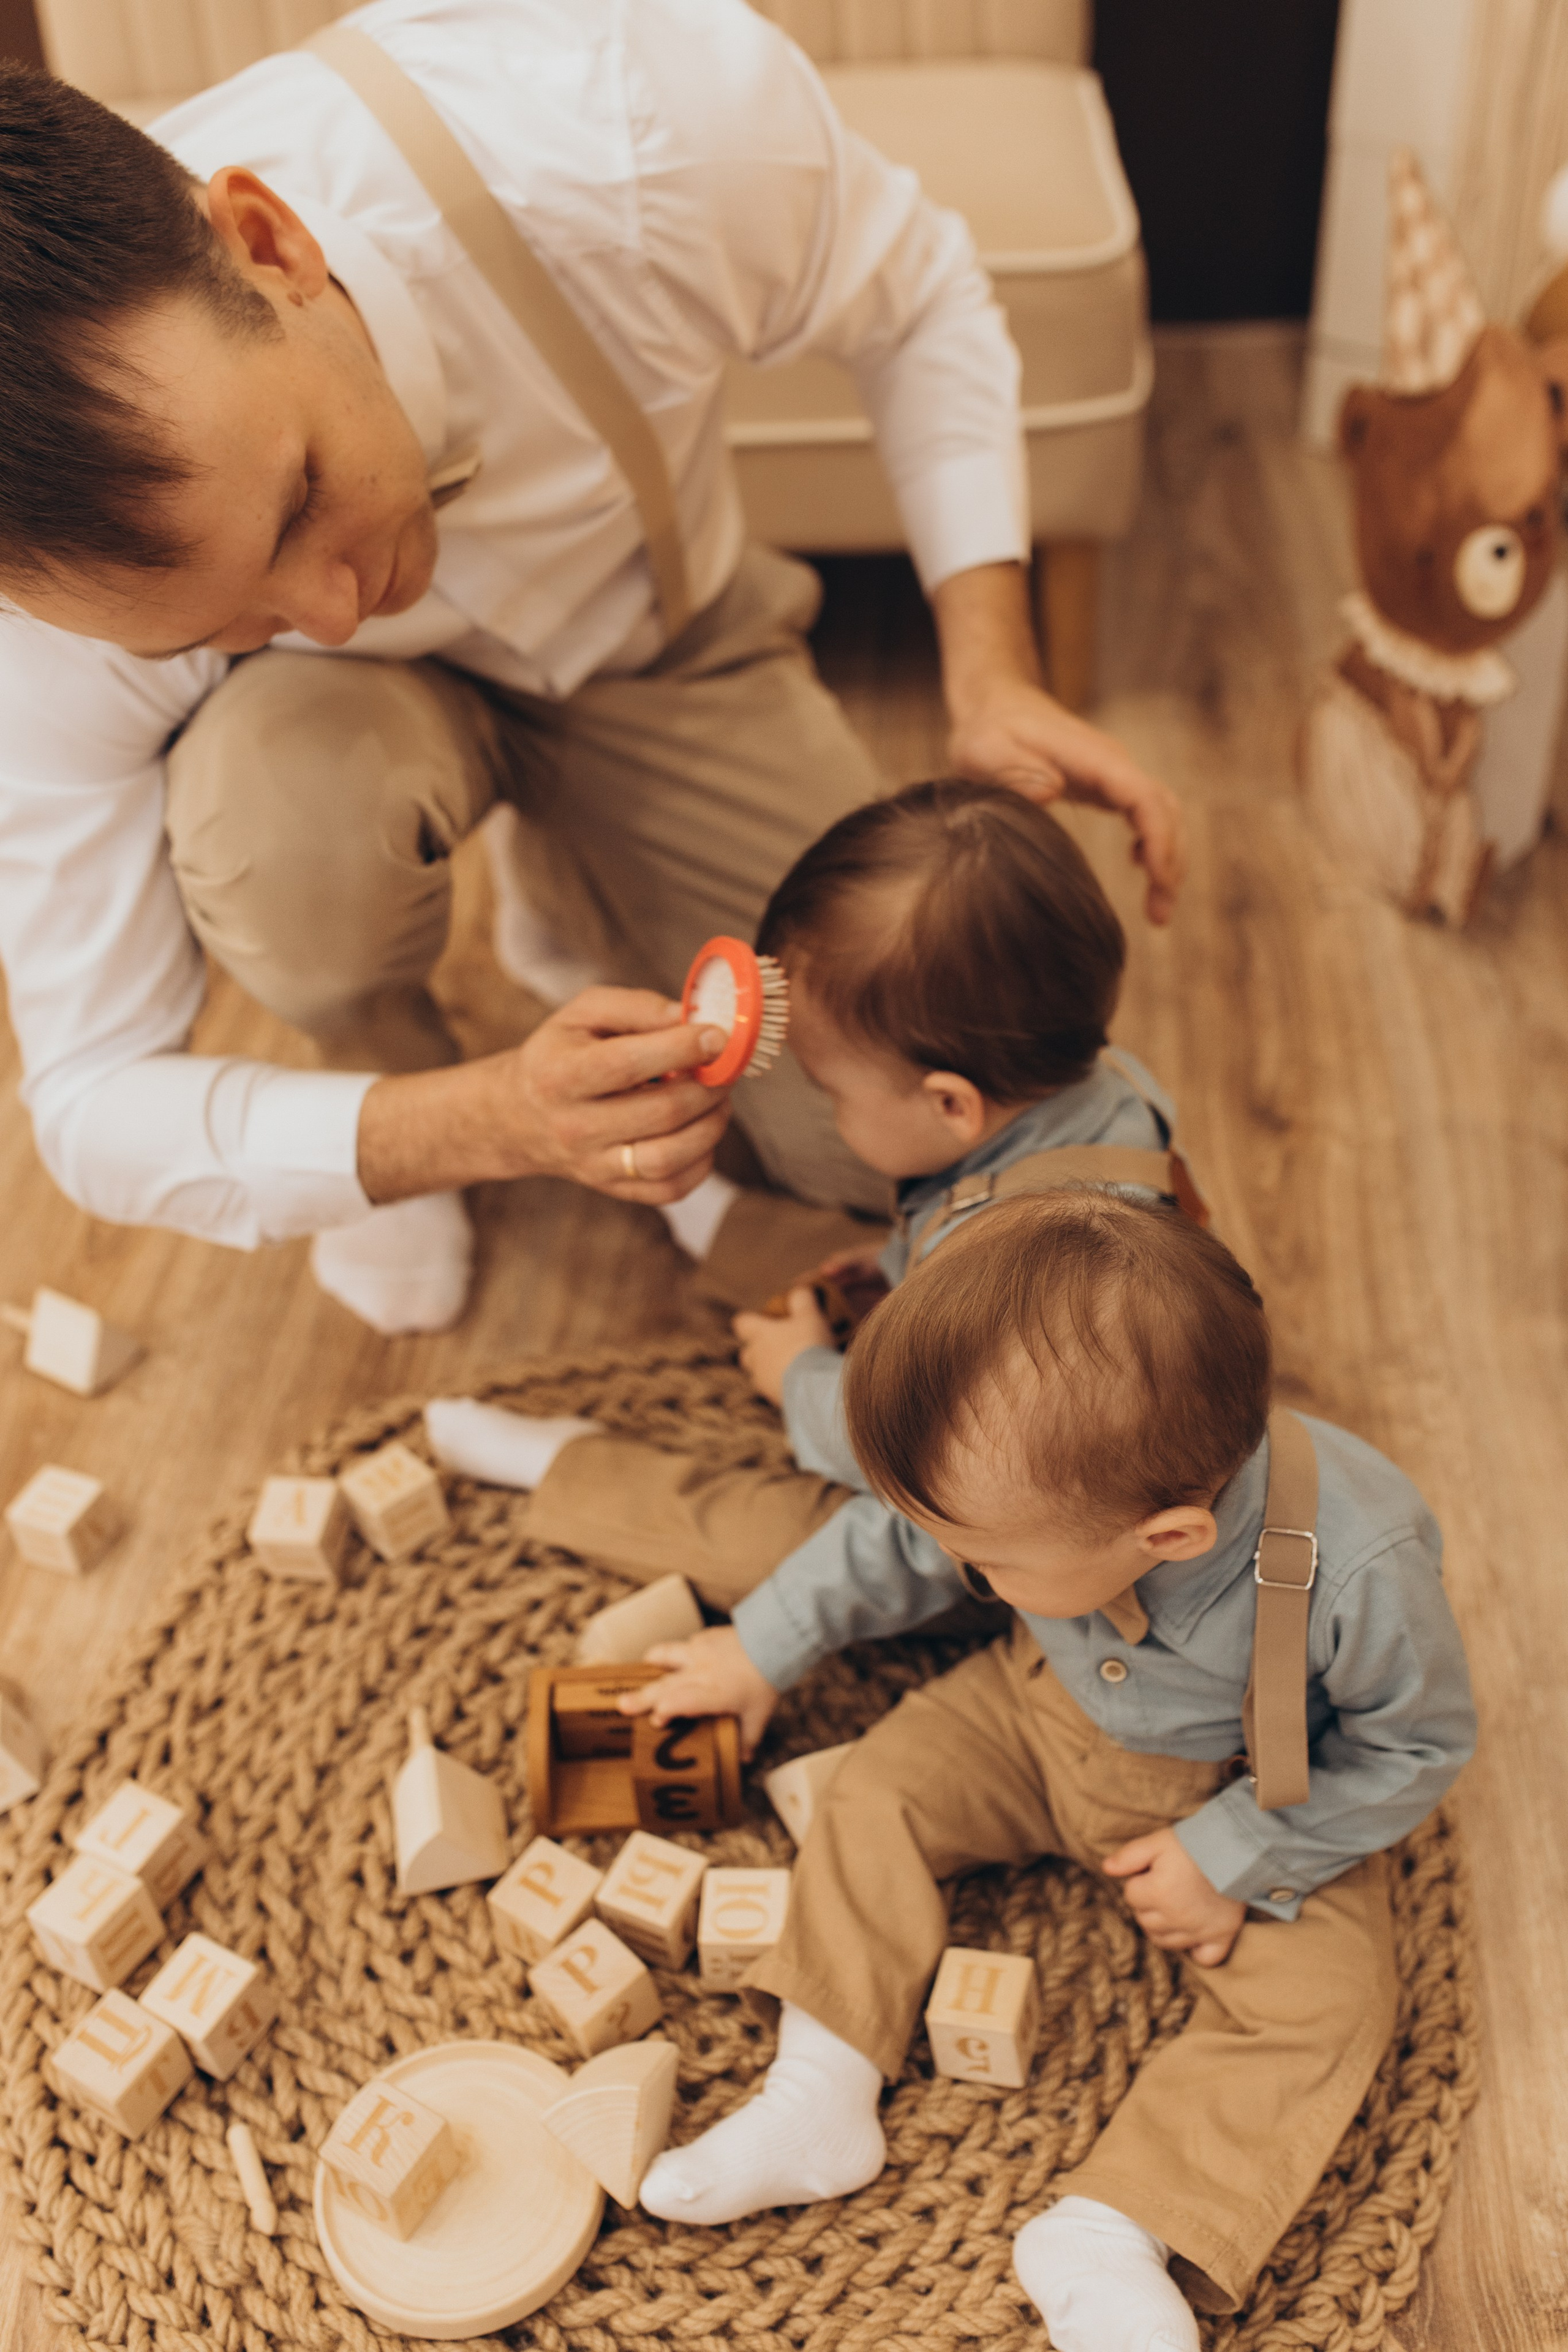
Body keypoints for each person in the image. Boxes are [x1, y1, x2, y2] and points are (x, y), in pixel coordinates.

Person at [0, 0, 1183, 1337]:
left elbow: (919, 300)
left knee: (884, 1114)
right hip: (344, 750)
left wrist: (990, 670)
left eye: (299, 502)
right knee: (283, 833)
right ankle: (388, 1069)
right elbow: (91, 1100)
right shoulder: (45, 627)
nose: (331, 612)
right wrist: (474, 1125)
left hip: (663, 645)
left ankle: (565, 915)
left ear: (270, 245)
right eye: (222, 625)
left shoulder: (636, 138)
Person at [627, 1194, 1477, 2352]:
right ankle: (816, 2094)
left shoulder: (1360, 1565)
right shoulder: (1011, 1487)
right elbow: (897, 1541)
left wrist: (1234, 1855)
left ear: (1167, 1536)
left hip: (1248, 1788)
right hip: (1031, 1720)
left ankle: (1111, 2228)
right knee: (873, 1792)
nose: (957, 1567)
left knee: (1332, 2010)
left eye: (987, 1561)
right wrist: (765, 1646)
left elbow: (1415, 1745)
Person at [466, 775, 1196, 1584]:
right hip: (1037, 1324)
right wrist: (891, 1271)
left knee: (784, 1547)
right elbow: (946, 1236)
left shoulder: (1003, 1274)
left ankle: (569, 1468)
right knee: (853, 1258)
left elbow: (927, 1457)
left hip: (1020, 1497)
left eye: (833, 1093)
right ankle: (727, 1226)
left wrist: (802, 1381)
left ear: (951, 1103)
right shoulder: (1104, 1085)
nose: (824, 1105)